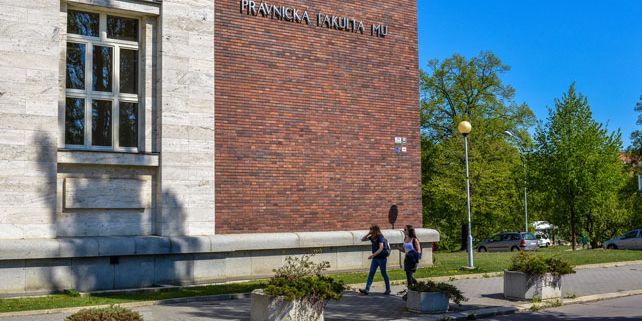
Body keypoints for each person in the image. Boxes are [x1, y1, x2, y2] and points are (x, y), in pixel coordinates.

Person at [359, 224, 391, 295]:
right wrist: (368, 233)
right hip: (375, 259)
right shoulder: (372, 237)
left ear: (375, 230)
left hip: (382, 258)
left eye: (371, 229)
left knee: (383, 274)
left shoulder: (380, 237)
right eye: (370, 229)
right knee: (371, 273)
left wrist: (373, 255)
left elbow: (381, 248)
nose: (370, 230)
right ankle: (367, 289)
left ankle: (388, 289)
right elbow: (363, 239)